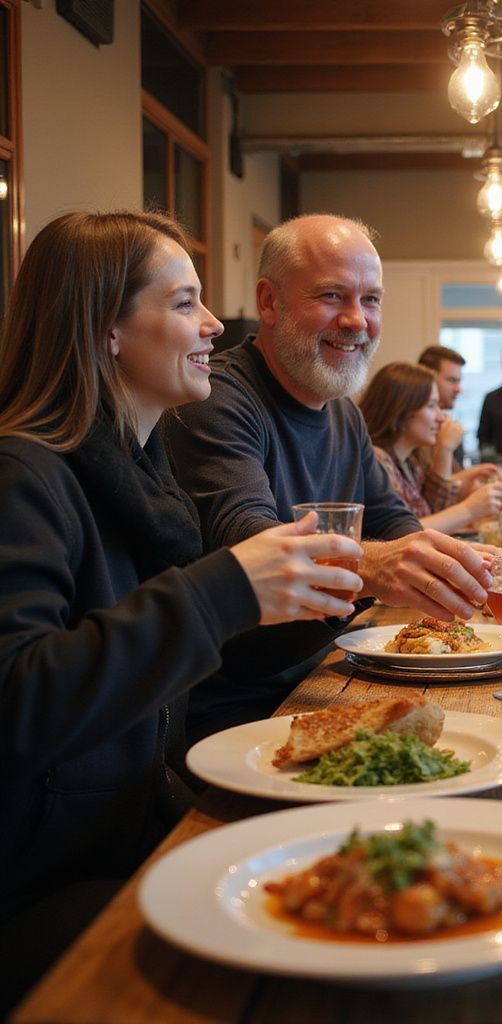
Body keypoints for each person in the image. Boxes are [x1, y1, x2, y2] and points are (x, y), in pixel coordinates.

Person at [0, 211, 365, 1009]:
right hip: (43, 879)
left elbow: (205, 653)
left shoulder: (144, 474)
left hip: (136, 824)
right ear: (105, 330)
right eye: (183, 303)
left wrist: (315, 599)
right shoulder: (23, 477)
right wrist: (223, 588)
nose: (212, 325)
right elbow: (18, 703)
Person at [164, 215, 494, 738]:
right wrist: (377, 565)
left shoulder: (343, 412)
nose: (356, 320)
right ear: (268, 302)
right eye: (332, 296)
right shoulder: (217, 401)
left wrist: (445, 562)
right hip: (243, 707)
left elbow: (393, 518)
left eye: (371, 300)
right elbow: (253, 541)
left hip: (331, 673)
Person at [360, 362, 502, 530]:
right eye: (431, 406)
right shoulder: (378, 460)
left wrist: (463, 482)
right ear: (401, 411)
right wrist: (470, 509)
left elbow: (433, 510)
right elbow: (400, 534)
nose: (441, 416)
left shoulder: (409, 461)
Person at [416, 343, 496, 499]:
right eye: (452, 380)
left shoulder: (448, 423)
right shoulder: (418, 428)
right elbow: (428, 495)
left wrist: (472, 476)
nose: (458, 389)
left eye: (459, 381)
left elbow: (451, 481)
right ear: (428, 378)